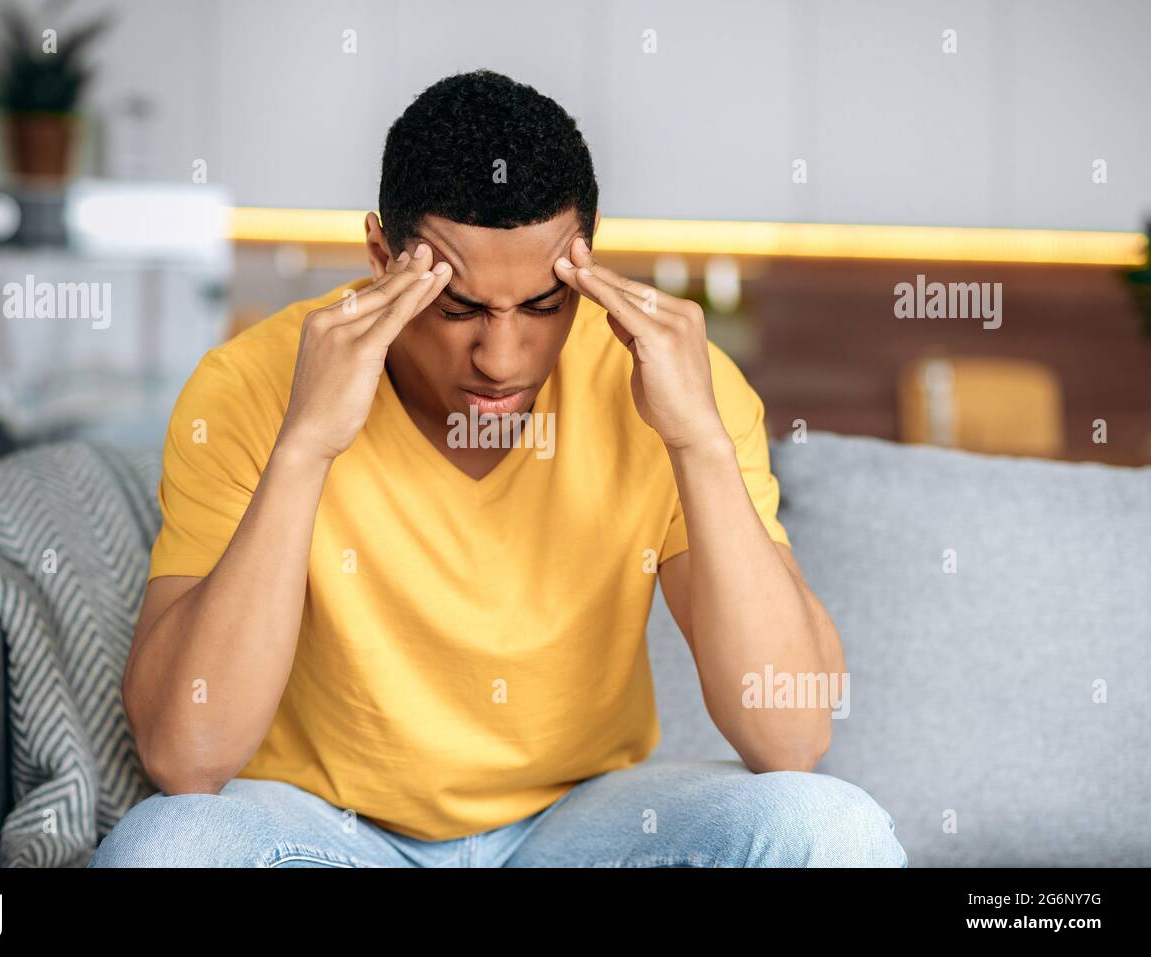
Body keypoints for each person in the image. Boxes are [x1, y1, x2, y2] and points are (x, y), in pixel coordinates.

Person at [90, 69, 906, 868]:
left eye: (545, 304)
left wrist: (697, 443)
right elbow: (184, 758)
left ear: (587, 259)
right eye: (459, 306)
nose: (501, 357)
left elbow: (792, 736)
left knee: (832, 830)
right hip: (326, 831)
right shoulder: (249, 386)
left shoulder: (676, 386)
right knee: (165, 850)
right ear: (381, 255)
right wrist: (305, 445)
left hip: (581, 821)